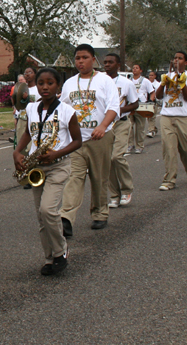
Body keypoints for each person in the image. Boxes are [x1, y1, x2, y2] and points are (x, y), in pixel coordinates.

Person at [13, 67, 81, 275]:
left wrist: (55, 153)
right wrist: (17, 152)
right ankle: (49, 258)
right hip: (37, 167)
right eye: (41, 83)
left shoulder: (68, 112)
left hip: (58, 165)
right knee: (41, 218)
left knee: (48, 210)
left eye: (50, 83)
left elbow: (78, 141)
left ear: (58, 86)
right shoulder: (32, 108)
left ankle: (61, 250)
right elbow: (27, 132)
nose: (45, 87)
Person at [59, 44, 119, 235]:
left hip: (100, 138)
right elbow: (63, 110)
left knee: (99, 177)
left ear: (93, 60)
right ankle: (66, 218)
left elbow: (114, 107)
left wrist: (102, 126)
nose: (81, 61)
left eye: (85, 57)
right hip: (76, 140)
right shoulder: (69, 83)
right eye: (77, 58)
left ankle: (100, 213)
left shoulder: (105, 81)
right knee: (74, 177)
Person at [155, 50, 187, 191]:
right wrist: (163, 83)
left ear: (185, 62)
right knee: (169, 149)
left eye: (180, 58)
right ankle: (169, 180)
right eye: (175, 58)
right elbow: (158, 97)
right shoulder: (167, 75)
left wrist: (181, 82)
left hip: (185, 117)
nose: (176, 60)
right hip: (167, 115)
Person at [103, 54, 138, 208]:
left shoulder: (126, 83)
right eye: (105, 62)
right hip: (105, 125)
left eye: (110, 62)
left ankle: (126, 189)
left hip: (121, 122)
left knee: (116, 157)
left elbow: (135, 104)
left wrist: (118, 110)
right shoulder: (100, 81)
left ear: (118, 65)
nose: (107, 65)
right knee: (107, 160)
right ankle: (115, 194)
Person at [129, 64, 155, 153]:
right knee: (129, 126)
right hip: (130, 106)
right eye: (133, 68)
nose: (134, 69)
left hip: (141, 106)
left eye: (136, 68)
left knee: (140, 128)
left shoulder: (145, 81)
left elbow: (152, 92)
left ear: (140, 70)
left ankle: (139, 146)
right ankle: (129, 144)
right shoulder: (129, 80)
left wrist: (150, 101)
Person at [146, 71, 160, 138]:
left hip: (154, 102)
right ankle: (154, 128)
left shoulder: (157, 84)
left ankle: (151, 131)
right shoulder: (146, 83)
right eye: (150, 75)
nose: (150, 77)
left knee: (152, 116)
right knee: (148, 117)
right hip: (146, 102)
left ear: (155, 76)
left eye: (152, 75)